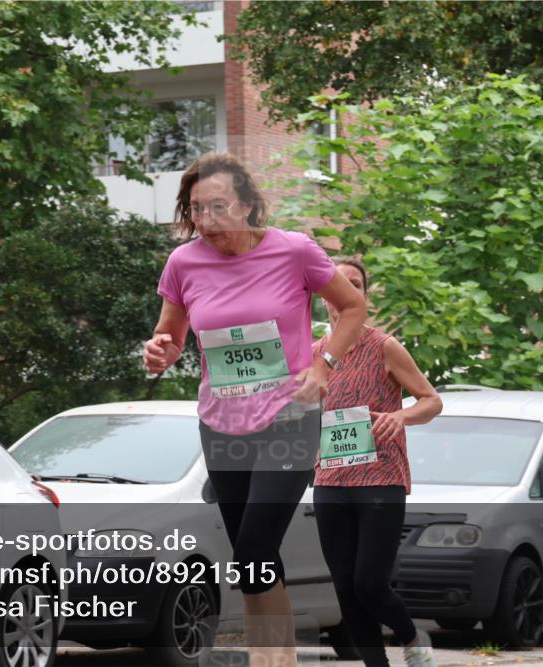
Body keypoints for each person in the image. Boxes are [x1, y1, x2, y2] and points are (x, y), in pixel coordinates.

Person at [143, 153, 367, 667]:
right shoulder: (184, 263)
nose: (207, 220)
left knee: (255, 542)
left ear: (247, 205)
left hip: (290, 415)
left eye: (219, 206)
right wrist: (158, 350)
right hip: (221, 425)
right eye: (197, 209)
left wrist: (325, 365)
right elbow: (170, 337)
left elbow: (353, 308)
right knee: (251, 559)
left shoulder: (294, 252)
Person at [312, 257, 443, 667]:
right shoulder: (314, 355)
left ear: (364, 298)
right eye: (339, 283)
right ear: (325, 296)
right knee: (346, 590)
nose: (346, 290)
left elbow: (432, 400)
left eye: (356, 284)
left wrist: (399, 416)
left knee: (369, 583)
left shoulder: (383, 346)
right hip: (330, 481)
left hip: (380, 479)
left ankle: (410, 636)